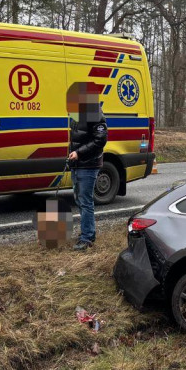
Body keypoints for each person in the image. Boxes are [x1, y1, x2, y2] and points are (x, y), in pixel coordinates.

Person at [67, 82, 108, 251]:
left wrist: (80, 153)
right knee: (80, 200)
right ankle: (87, 232)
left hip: (88, 164)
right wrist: (72, 154)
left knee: (85, 201)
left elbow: (100, 140)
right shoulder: (78, 114)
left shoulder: (95, 113)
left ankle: (87, 238)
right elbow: (77, 139)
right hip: (78, 164)